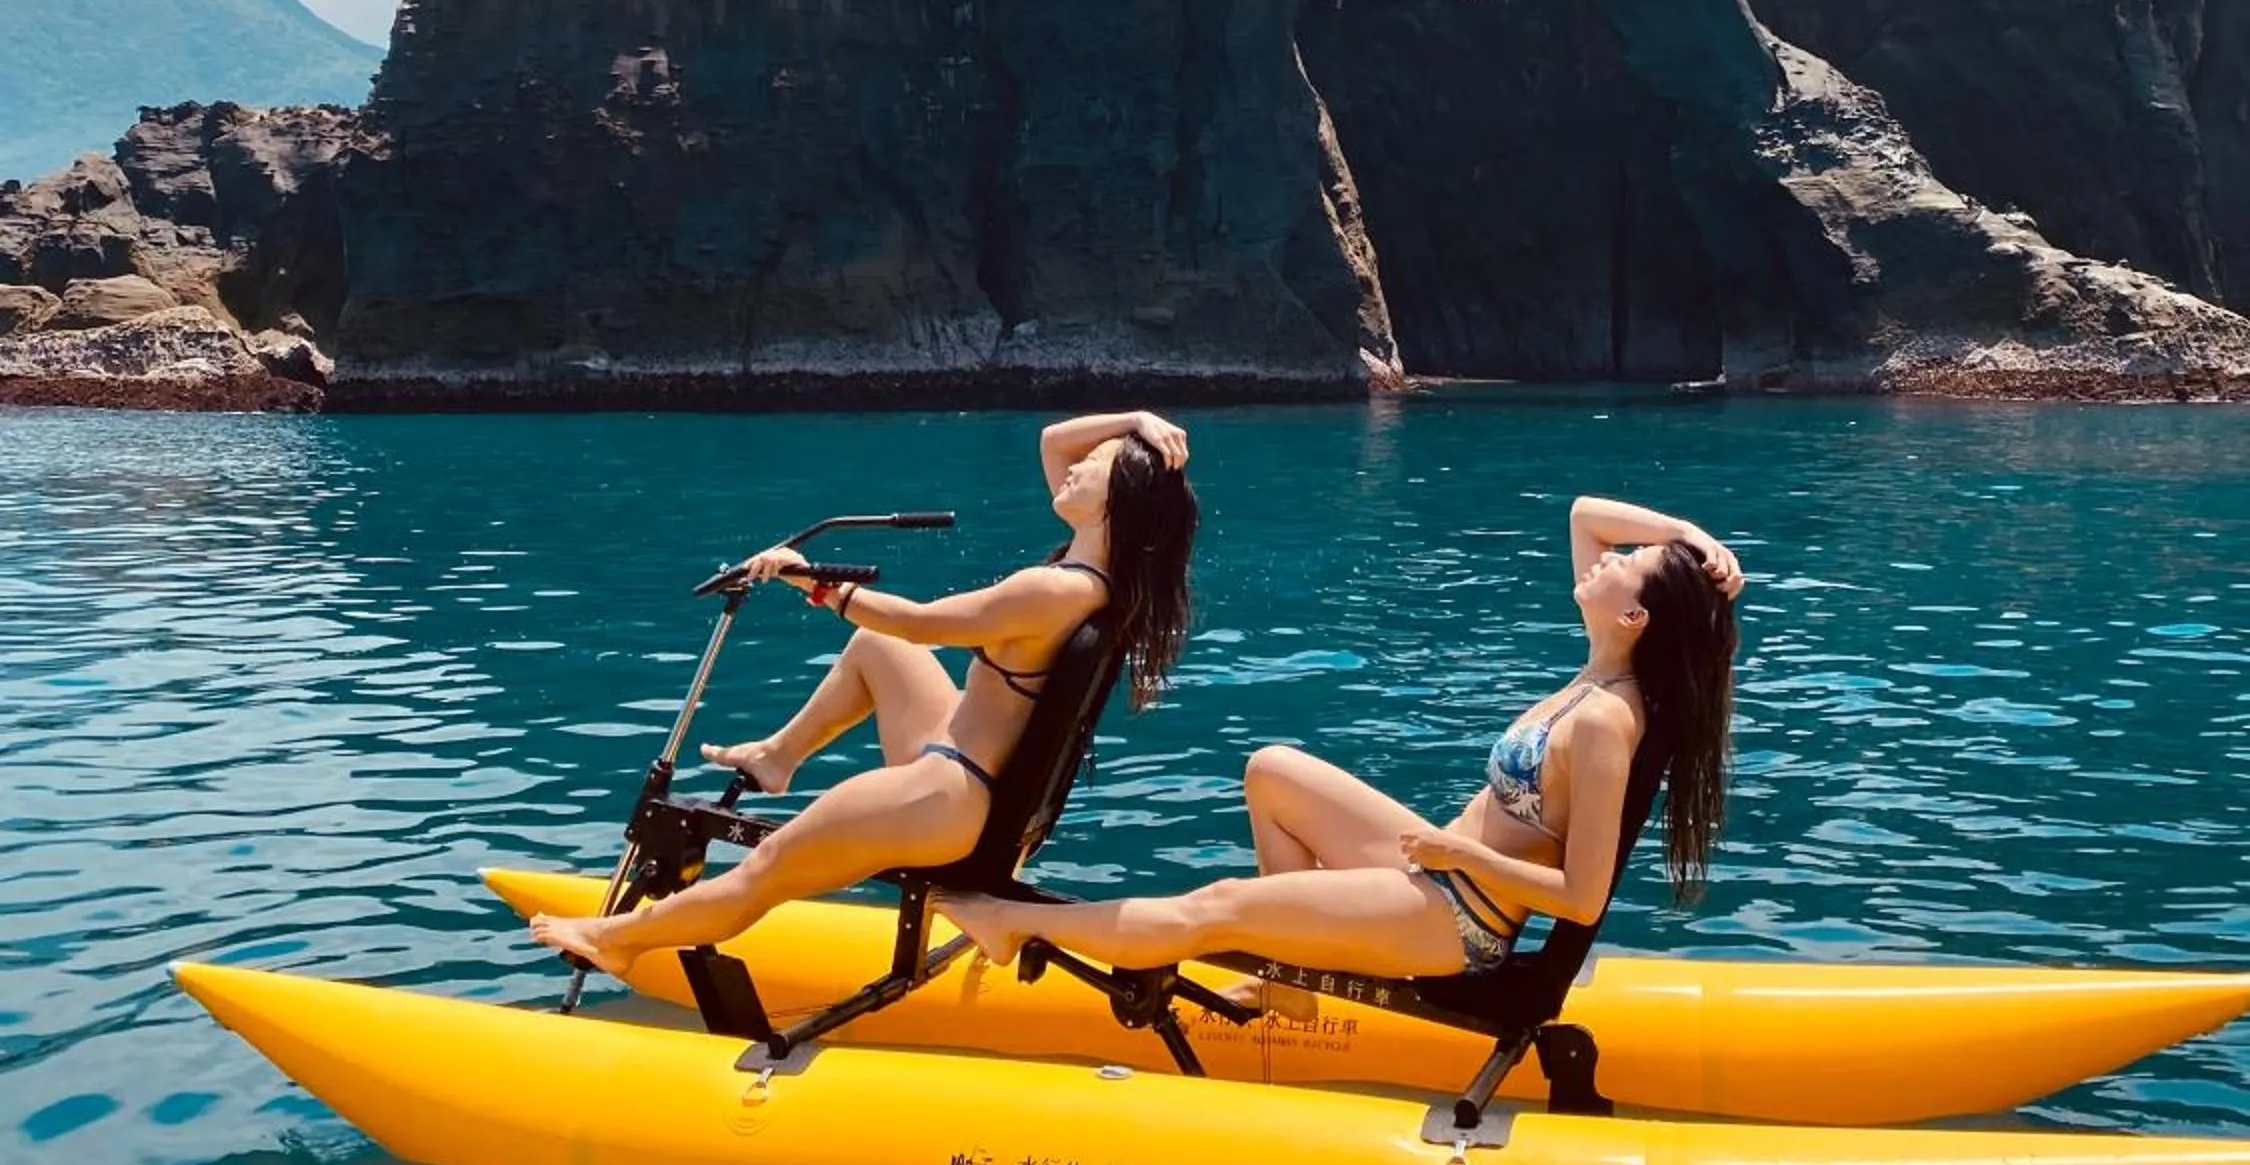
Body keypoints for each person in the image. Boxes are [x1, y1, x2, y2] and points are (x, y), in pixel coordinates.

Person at [943, 492, 1740, 982]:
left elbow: (1582, 896)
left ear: (1635, 617)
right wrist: (1688, 535)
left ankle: (1013, 923)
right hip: (1432, 868)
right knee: (1273, 770)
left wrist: (1462, 858)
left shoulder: (1604, 719)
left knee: (1217, 906)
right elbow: (1583, 514)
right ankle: (1287, 972)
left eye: (1628, 563)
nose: (1607, 558)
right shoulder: (1598, 670)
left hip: (1456, 918)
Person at [528, 410, 1197, 979]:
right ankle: (779, 757)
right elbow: (1054, 440)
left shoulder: (1049, 591)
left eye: (1100, 461)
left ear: (1120, 494)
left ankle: (616, 943)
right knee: (880, 651)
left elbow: (919, 621)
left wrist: (809, 580)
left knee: (765, 870)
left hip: (948, 796)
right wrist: (1133, 420)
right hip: (969, 775)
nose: (1078, 464)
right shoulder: (1101, 576)